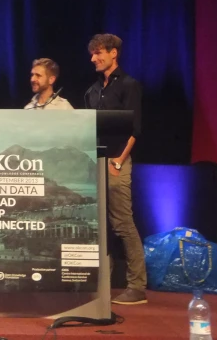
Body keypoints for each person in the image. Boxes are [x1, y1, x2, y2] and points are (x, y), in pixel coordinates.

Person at [84, 34, 147, 305]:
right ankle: (101, 284)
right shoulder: (92, 91)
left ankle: (137, 287)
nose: (93, 59)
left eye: (98, 53)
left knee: (122, 225)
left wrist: (119, 160)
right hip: (94, 164)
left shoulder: (129, 85)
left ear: (113, 54)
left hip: (115, 161)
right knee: (96, 227)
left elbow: (134, 129)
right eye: (92, 54)